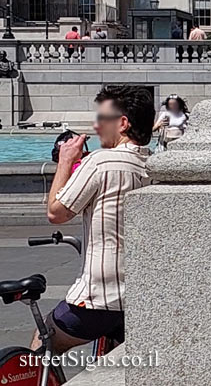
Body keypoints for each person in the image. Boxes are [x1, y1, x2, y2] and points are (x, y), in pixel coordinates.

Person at [37, 84, 153, 354]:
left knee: (44, 341)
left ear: (122, 123)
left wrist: (66, 161)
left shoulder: (100, 163)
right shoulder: (152, 165)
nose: (96, 126)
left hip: (97, 298)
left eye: (102, 118)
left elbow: (56, 212)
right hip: (139, 297)